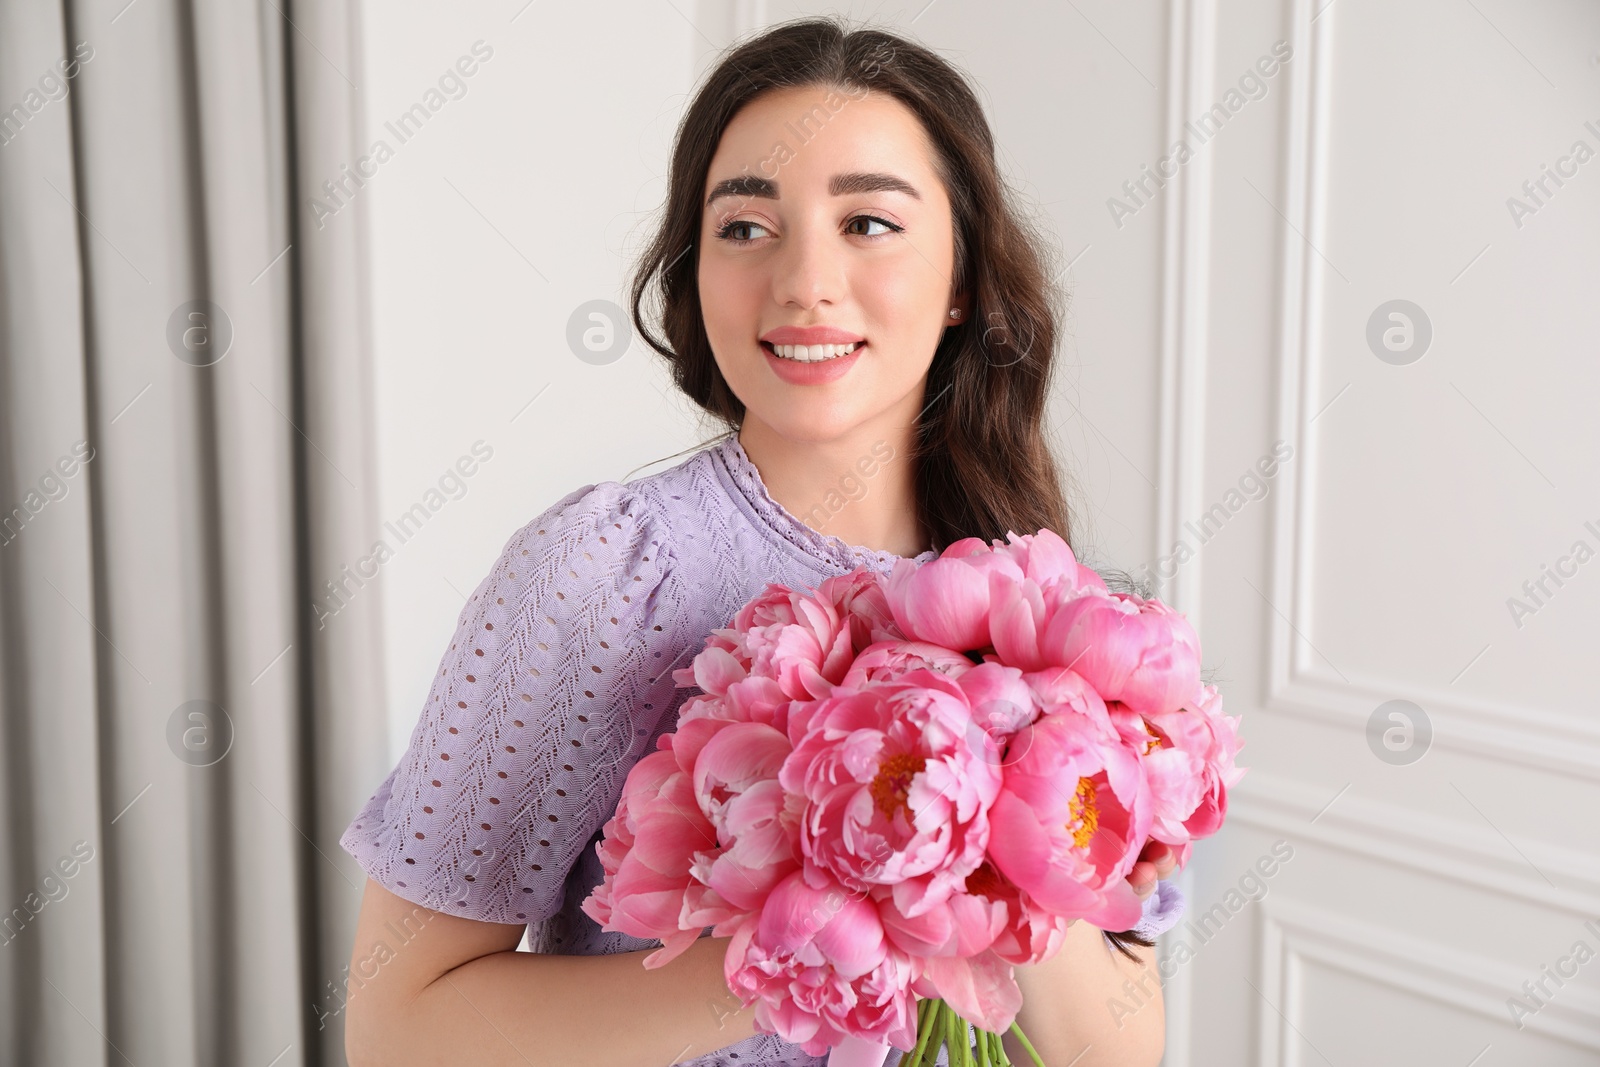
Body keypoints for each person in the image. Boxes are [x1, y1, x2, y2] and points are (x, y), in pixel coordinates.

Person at [341, 15, 1182, 1067]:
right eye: (745, 226)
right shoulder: (606, 576)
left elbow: (1119, 1048)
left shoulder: (1050, 615)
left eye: (868, 222)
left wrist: (996, 832)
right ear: (695, 270)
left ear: (963, 277)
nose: (802, 281)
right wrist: (803, 941)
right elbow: (395, 1025)